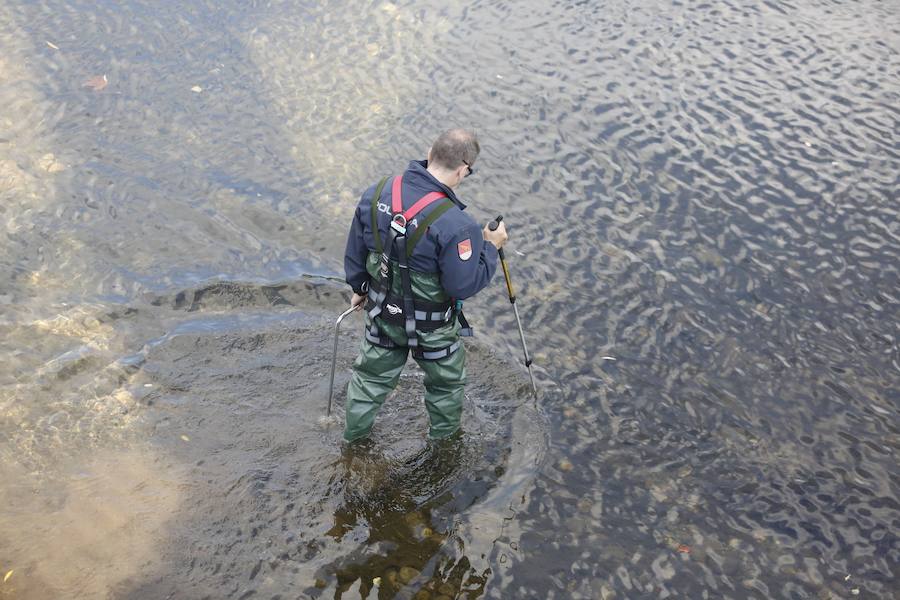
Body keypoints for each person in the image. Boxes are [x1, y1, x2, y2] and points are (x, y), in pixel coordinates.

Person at [342, 129, 508, 442]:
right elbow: (463, 286)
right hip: (431, 330)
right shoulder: (459, 226)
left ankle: (352, 441)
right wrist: (490, 246)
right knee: (445, 387)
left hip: (382, 314)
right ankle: (443, 449)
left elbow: (356, 251)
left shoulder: (376, 193)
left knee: (368, 382)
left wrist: (360, 288)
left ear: (429, 152)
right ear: (463, 170)